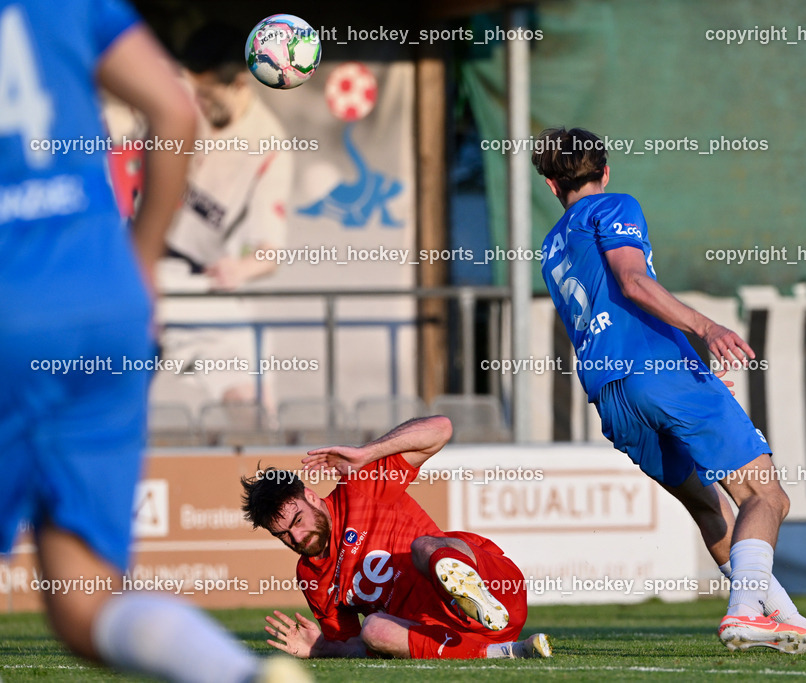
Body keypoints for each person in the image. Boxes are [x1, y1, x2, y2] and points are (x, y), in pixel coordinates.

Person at [0, 1, 306, 681]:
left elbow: (267, 243)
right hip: (111, 299)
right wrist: (139, 269)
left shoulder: (270, 146)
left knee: (245, 402)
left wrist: (223, 265)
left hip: (54, 299)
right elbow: (171, 110)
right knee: (85, 600)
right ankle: (240, 674)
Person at [532, 127, 806, 654]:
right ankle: (742, 613)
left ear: (552, 186)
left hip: (612, 394)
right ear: (604, 171)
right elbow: (633, 283)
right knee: (765, 495)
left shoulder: (551, 246)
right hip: (658, 372)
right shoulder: (615, 205)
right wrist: (706, 330)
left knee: (710, 505)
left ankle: (783, 614)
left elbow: (604, 313)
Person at [240, 416, 552, 660]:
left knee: (426, 546)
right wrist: (322, 647)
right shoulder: (311, 574)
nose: (296, 537)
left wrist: (367, 453)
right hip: (444, 637)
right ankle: (508, 651)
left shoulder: (359, 488)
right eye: (282, 535)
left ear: (310, 496)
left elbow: (440, 429)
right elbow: (353, 645)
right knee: (373, 631)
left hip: (501, 594)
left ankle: (474, 596)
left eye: (297, 521)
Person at [153, 21, 293, 413]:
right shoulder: (172, 96)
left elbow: (269, 253)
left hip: (194, 282)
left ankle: (250, 471)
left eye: (206, 95)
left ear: (240, 86)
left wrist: (240, 270)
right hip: (126, 266)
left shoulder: (269, 145)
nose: (195, 103)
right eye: (191, 90)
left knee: (254, 388)